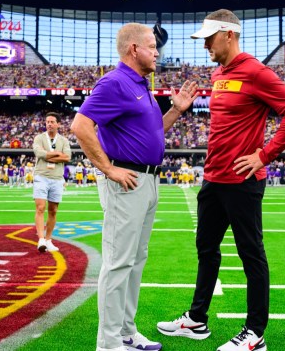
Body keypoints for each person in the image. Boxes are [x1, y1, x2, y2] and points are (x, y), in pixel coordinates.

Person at [156, 10, 285, 351]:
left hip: (243, 180)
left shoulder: (256, 71)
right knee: (206, 250)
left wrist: (264, 155)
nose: (206, 44)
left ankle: (255, 334)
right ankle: (196, 320)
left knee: (251, 254)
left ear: (229, 34)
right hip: (213, 178)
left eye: (210, 37)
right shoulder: (219, 73)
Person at [71, 22, 199, 351]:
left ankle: (127, 332)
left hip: (147, 179)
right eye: (151, 45)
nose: (157, 51)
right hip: (127, 181)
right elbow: (81, 125)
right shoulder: (114, 82)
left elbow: (154, 130)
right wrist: (108, 168)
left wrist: (176, 110)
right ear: (134, 49)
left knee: (135, 261)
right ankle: (109, 342)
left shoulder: (140, 84)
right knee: (118, 262)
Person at [33, 112, 71, 253]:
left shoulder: (64, 140)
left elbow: (67, 157)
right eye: (47, 121)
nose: (49, 124)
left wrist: (48, 156)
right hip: (41, 176)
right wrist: (57, 155)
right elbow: (39, 153)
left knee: (53, 211)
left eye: (52, 121)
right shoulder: (39, 138)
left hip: (57, 178)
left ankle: (48, 240)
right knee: (40, 207)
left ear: (58, 124)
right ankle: (41, 239)